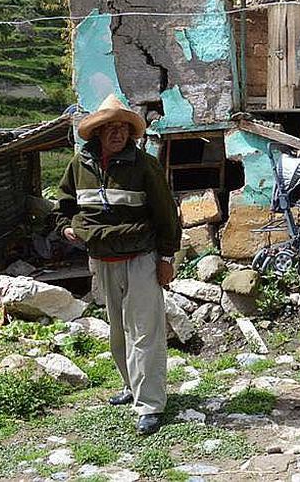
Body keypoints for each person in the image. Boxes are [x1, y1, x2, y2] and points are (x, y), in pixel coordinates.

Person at [56, 94, 181, 435]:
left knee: (145, 331)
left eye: (123, 128)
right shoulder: (79, 166)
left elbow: (167, 215)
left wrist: (166, 258)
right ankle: (131, 385)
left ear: (130, 133)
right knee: (117, 329)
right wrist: (66, 227)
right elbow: (64, 205)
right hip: (102, 260)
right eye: (110, 127)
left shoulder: (144, 166)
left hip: (140, 258)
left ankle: (150, 404)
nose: (117, 133)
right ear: (97, 132)